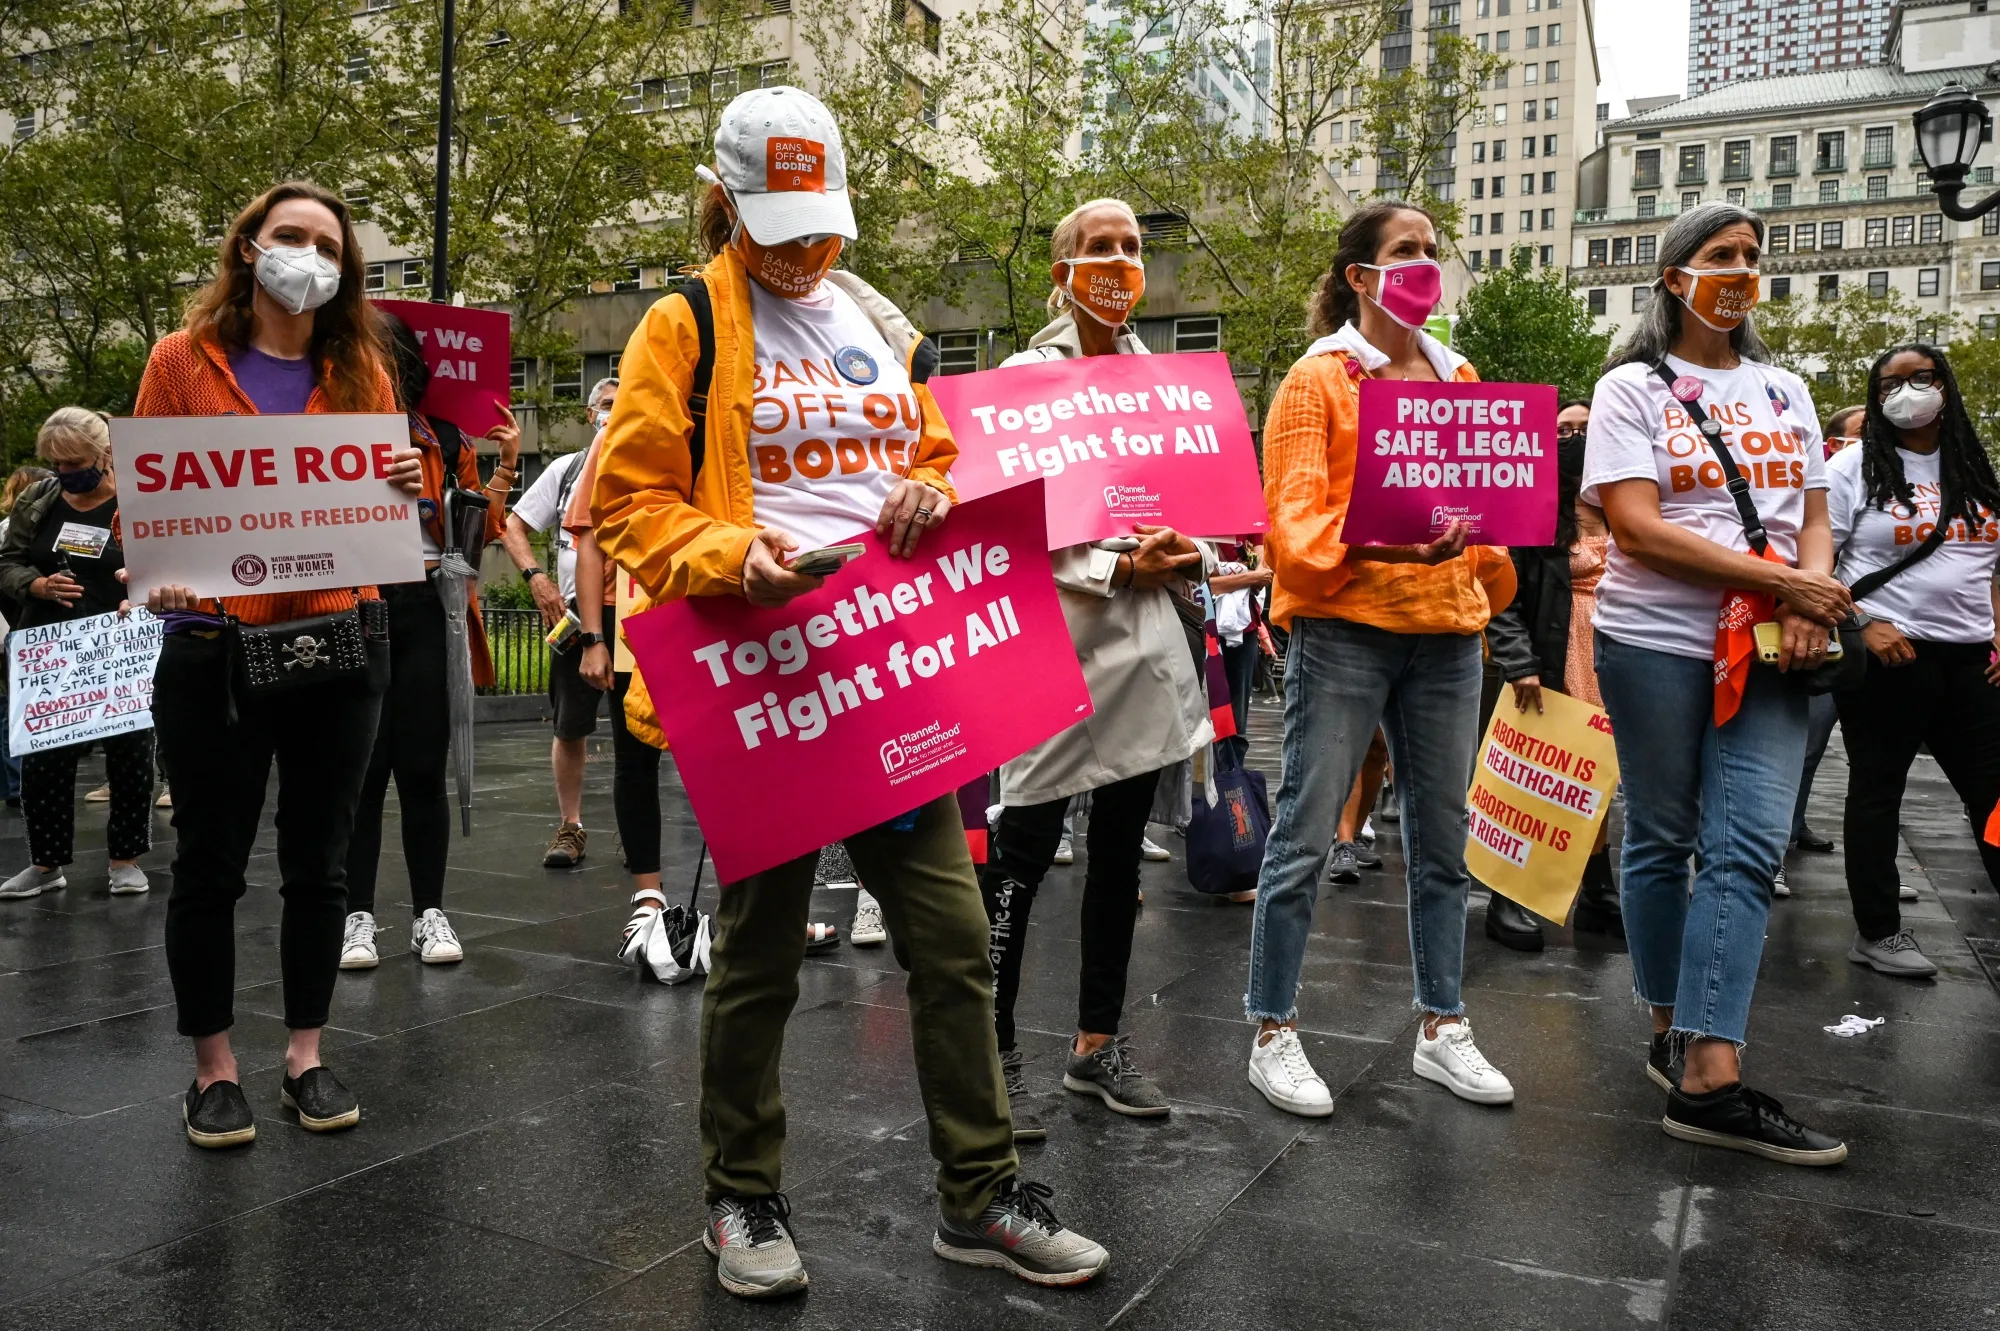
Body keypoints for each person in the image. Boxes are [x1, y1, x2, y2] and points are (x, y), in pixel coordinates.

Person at [590, 87, 1106, 1296]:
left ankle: (977, 1193)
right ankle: (741, 1195)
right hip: (761, 667)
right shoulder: (680, 326)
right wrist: (732, 558)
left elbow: (937, 449)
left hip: (884, 665)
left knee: (949, 936)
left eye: (818, 215)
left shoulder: (875, 322)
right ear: (722, 203)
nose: (801, 242)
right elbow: (627, 498)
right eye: (774, 217)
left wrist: (932, 486)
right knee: (757, 954)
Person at [130, 180, 424, 1149]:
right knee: (209, 862)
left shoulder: (363, 370)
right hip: (212, 647)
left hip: (343, 642)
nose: (309, 256)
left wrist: (406, 484)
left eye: (328, 246)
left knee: (322, 860)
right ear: (248, 246)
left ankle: (306, 1051)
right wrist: (161, 575)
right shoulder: (180, 360)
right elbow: (156, 512)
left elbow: (383, 507)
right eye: (290, 236)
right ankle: (213, 1069)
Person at [1584, 201, 1850, 1165]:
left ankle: (1708, 1071)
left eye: (1752, 256)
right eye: (1720, 255)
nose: (1740, 270)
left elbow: (1814, 513)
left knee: (1743, 846)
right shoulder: (1629, 390)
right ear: (1673, 275)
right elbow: (1639, 530)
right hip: (1654, 643)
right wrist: (1788, 581)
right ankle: (1670, 1025)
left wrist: (1810, 600)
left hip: (1777, 651)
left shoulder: (1788, 391)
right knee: (1659, 838)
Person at [1245, 199, 1521, 1118]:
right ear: (1360, 277)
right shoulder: (1316, 382)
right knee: (1305, 827)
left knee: (1444, 839)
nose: (1426, 267)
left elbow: (1480, 513)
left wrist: (1486, 537)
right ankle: (1272, 1026)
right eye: (1406, 252)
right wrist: (1395, 549)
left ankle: (1443, 1022)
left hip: (1447, 634)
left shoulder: (1460, 374)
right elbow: (1295, 523)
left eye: (1433, 253)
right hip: (1348, 633)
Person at [974, 197, 1213, 1134]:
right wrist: (1113, 563)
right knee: (1025, 854)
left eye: (1131, 246)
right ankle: (993, 1053)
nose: (1117, 260)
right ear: (1061, 267)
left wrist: (1181, 543)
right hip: (1055, 640)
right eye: (1098, 247)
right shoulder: (1024, 377)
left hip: (1143, 645)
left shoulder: (1163, 379)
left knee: (1119, 853)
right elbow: (1007, 514)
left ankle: (1095, 1044)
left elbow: (1193, 492)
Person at [337, 312, 520, 970]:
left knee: (420, 770)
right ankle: (355, 917)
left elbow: (475, 540)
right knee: (360, 776)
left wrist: (500, 470)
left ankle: (428, 913)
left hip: (425, 608)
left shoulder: (441, 435)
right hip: (355, 607)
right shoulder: (324, 431)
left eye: (387, 358)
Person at [1827, 344, 2000, 978]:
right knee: (1878, 791)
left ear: (1945, 388)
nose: (1906, 393)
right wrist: (1863, 625)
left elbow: (1993, 570)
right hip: (1890, 658)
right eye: (1889, 384)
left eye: (1919, 379)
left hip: (1974, 662)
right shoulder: (1852, 468)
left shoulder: (1973, 470)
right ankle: (1878, 932)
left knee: (1994, 795)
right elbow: (1820, 563)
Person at [1484, 396, 1625, 944]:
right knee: (1533, 778)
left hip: (1618, 655)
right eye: (1563, 431)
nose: (1574, 439)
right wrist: (1518, 662)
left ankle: (1597, 893)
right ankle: (1507, 896)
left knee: (1599, 778)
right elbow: (1501, 594)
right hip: (1552, 657)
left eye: (1585, 429)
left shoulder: (1630, 504)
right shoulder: (1531, 509)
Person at [0, 410, 155, 902]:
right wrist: (37, 584)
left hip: (120, 646)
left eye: (75, 461)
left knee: (131, 755)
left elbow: (169, 557)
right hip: (52, 648)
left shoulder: (139, 497)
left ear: (105, 453)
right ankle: (45, 864)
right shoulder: (38, 500)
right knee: (43, 760)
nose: (66, 472)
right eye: (56, 463)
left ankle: (125, 861)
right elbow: (8, 562)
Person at [499, 375, 619, 868]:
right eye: (608, 403)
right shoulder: (567, 471)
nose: (615, 410)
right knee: (571, 727)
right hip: (576, 620)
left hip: (637, 616)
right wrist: (536, 579)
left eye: (624, 401)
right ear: (592, 414)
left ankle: (638, 826)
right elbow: (511, 524)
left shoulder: (650, 464)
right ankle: (570, 826)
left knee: (646, 731)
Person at [1782, 401, 1869, 875]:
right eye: (1861, 433)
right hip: (1839, 629)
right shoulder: (1839, 479)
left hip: (1858, 638)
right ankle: (1773, 844)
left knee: (1861, 762)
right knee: (1804, 742)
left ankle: (1793, 825)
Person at [0, 463, 55, 807]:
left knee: (13, 703)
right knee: (16, 705)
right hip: (21, 625)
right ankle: (21, 779)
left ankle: (18, 780)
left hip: (18, 625)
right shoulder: (14, 528)